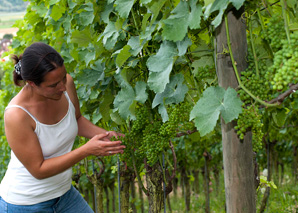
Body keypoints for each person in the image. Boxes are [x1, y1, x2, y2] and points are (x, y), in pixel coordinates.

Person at [0, 42, 125, 212]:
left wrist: (109, 137)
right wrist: (86, 150)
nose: (62, 87)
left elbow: (76, 119)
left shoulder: (65, 84)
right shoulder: (17, 115)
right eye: (53, 85)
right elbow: (38, 169)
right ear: (31, 83)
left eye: (63, 78)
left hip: (64, 195)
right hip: (25, 204)